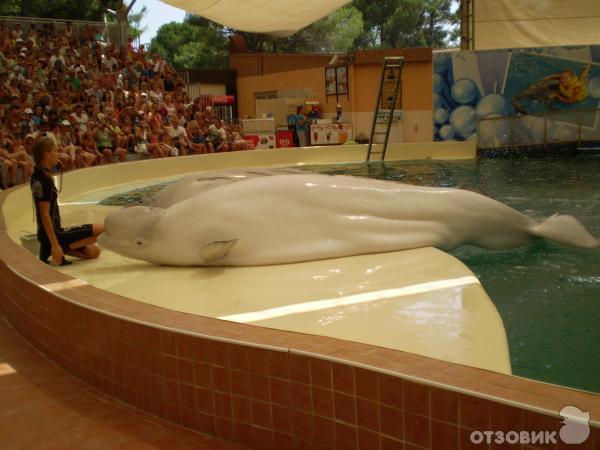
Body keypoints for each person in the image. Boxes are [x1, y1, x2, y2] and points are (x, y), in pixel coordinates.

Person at [30, 137, 103, 265]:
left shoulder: (37, 175)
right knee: (103, 228)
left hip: (48, 233)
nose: (57, 154)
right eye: (54, 151)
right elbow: (44, 214)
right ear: (46, 154)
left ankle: (60, 248)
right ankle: (60, 248)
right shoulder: (44, 179)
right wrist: (55, 244)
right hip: (55, 233)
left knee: (94, 252)